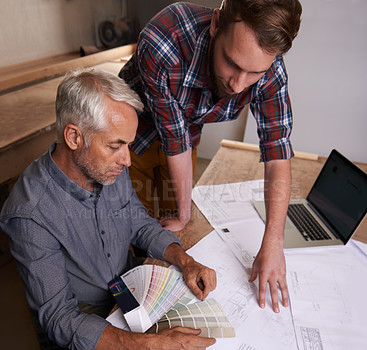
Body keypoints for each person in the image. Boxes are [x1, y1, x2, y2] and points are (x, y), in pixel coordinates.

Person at [0, 69, 217, 350]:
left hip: (128, 291)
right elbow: (61, 318)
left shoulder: (105, 167)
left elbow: (138, 222)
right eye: (116, 146)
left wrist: (185, 260)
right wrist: (152, 346)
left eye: (128, 145)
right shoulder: (29, 213)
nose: (127, 160)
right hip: (86, 318)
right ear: (74, 137)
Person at [119, 0, 302, 313]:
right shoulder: (165, 40)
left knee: (175, 229)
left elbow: (277, 152)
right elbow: (173, 139)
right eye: (231, 63)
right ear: (216, 24)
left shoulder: (271, 70)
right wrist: (183, 213)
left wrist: (273, 242)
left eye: (253, 73)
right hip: (130, 141)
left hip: (184, 137)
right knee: (130, 231)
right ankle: (125, 305)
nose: (238, 83)